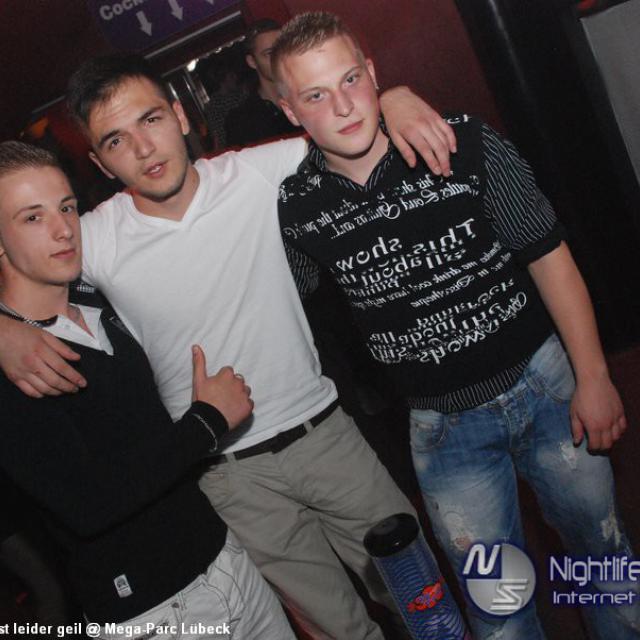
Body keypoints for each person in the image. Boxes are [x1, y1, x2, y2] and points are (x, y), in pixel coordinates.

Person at [0, 56, 456, 638]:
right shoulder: (91, 238)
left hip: (326, 439)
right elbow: (24, 257)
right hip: (227, 477)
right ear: (100, 163)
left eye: (151, 120)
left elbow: (345, 128)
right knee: (341, 630)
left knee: (423, 601)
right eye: (116, 140)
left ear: (180, 116)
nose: (143, 148)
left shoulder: (255, 174)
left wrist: (394, 96)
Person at [271, 11, 639, 640]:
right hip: (445, 431)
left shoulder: (459, 140)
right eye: (315, 95)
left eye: (351, 79)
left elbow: (548, 256)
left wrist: (594, 376)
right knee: (501, 608)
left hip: (545, 387)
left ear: (373, 73)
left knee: (599, 555)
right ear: (289, 111)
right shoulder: (296, 206)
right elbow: (289, 307)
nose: (344, 105)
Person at [0, 140, 295, 639]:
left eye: (66, 207)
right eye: (32, 217)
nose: (63, 228)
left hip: (225, 558)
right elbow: (87, 505)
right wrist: (206, 422)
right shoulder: (12, 365)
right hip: (149, 612)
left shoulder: (95, 301)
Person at [224, 19, 302, 147]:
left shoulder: (308, 98)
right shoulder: (242, 120)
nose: (279, 58)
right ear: (252, 62)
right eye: (270, 53)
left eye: (283, 49)